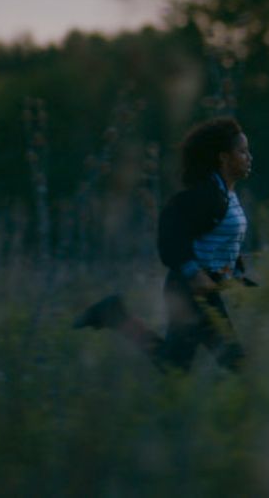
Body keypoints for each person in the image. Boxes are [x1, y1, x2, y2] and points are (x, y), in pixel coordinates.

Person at [73, 117, 255, 373]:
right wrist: (194, 271)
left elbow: (218, 241)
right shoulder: (207, 194)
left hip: (203, 292)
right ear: (224, 158)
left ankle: (115, 315)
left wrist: (235, 275)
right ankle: (114, 315)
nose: (249, 157)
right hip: (188, 291)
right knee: (235, 365)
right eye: (243, 151)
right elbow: (172, 228)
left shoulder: (226, 193)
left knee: (175, 366)